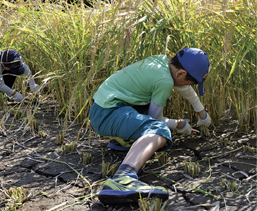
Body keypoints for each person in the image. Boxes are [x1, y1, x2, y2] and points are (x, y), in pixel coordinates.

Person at [89, 48, 212, 205]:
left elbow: (183, 87)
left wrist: (202, 113)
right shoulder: (164, 82)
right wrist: (179, 124)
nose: (192, 86)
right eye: (193, 82)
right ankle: (123, 179)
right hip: (107, 114)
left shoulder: (161, 63)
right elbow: (156, 120)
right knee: (159, 130)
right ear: (180, 74)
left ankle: (122, 140)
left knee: (149, 112)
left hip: (104, 107)